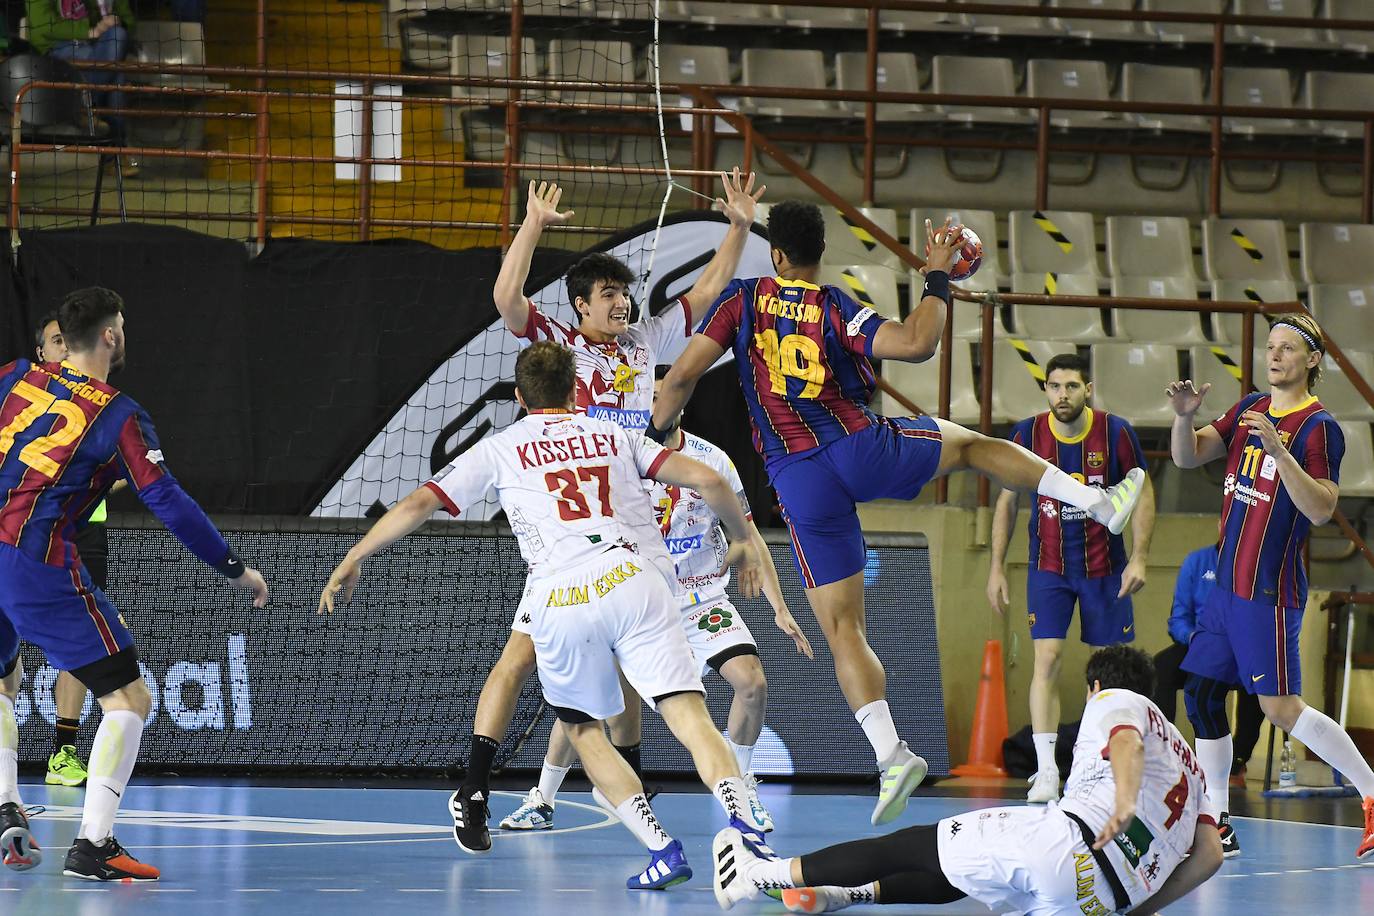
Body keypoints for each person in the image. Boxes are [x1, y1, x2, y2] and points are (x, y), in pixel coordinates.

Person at [650, 203, 1148, 826]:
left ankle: (891, 754)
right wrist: (938, 275)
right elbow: (917, 344)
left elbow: (680, 379)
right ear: (818, 253)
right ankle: (1098, 500)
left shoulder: (743, 301)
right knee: (970, 446)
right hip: (859, 448)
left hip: (797, 480)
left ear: (776, 254)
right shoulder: (833, 305)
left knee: (843, 631)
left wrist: (655, 434)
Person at [320, 340, 779, 889]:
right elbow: (708, 480)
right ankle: (742, 823)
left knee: (584, 732)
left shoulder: (501, 446)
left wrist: (354, 557)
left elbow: (419, 504)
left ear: (518, 397)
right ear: (576, 391)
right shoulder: (616, 433)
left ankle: (662, 848)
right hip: (636, 580)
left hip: (561, 596)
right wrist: (745, 538)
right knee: (690, 717)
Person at [450, 169, 765, 854]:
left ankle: (597, 791)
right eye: (610, 294)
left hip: (636, 526)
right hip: (574, 523)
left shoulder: (648, 340)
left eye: (626, 292)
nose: (623, 303)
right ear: (581, 306)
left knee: (622, 668)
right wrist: (532, 224)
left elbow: (708, 291)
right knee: (530, 658)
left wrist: (738, 225)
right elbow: (507, 299)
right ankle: (484, 786)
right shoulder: (561, 345)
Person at [0, 287, 269, 881]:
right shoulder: (118, 414)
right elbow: (167, 501)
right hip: (33, 559)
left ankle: (4, 801)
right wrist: (233, 566)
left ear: (61, 339)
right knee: (128, 699)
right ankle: (93, 844)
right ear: (112, 336)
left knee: (2, 673)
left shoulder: (17, 376)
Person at [500, 372, 813, 835]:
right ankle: (542, 798)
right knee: (586, 703)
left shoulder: (711, 460)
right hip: (632, 597)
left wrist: (779, 606)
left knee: (752, 684)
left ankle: (743, 788)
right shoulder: (614, 452)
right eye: (652, 394)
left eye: (673, 393)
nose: (664, 401)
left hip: (697, 597)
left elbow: (746, 534)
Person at [712, 646, 1223, 916]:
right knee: (969, 878)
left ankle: (758, 874)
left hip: (1071, 840)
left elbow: (1127, 743)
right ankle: (849, 894)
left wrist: (1125, 801)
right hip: (1100, 900)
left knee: (915, 846)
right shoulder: (1191, 765)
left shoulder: (1117, 700)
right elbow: (1208, 856)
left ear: (1095, 686)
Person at [1169, 312, 1374, 860]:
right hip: (1225, 590)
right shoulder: (1249, 407)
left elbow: (1323, 508)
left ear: (1312, 360)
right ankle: (1217, 821)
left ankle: (1373, 791)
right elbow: (1188, 456)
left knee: (1281, 708)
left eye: (1288, 348)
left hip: (1268, 590)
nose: (1274, 354)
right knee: (1203, 696)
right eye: (1271, 346)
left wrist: (1281, 454)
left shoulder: (1318, 426)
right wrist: (1184, 419)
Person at [986, 352, 1155, 805]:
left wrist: (1139, 558)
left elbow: (1143, 492)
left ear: (1088, 389)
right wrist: (996, 567)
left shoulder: (1115, 432)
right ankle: (1046, 772)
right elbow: (1007, 502)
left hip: (1105, 570)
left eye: (1072, 387)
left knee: (1109, 673)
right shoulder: (1026, 435)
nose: (1063, 395)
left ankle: (1098, 765)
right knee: (1048, 660)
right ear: (1045, 390)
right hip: (1049, 569)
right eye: (1055, 386)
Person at [31, 313, 124, 788]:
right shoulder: (19, 401)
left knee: (79, 646)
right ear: (42, 354)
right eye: (55, 342)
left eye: (69, 342)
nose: (65, 350)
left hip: (83, 534)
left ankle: (63, 753)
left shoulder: (103, 407)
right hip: (20, 533)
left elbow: (128, 465)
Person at [1151, 532, 1262, 804]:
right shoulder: (1196, 562)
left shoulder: (1255, 564)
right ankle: (1164, 752)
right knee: (1162, 665)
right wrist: (1195, 639)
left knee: (1257, 679)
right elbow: (1178, 617)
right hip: (1198, 642)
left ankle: (1237, 760)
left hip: (1239, 648)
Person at [25, 0, 136, 152]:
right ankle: (116, 153)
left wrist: (112, 22)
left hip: (91, 48)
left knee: (118, 35)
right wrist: (89, 32)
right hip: (56, 51)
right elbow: (42, 25)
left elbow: (122, 21)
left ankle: (85, 106)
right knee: (117, 78)